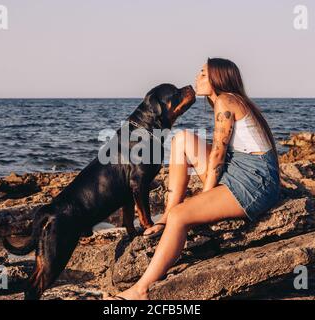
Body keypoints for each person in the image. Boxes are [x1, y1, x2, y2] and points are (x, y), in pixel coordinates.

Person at [106, 57, 281, 300]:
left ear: (217, 79)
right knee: (182, 139)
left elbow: (219, 154)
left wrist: (206, 195)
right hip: (242, 168)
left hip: (254, 181)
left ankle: (140, 290)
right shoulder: (226, 100)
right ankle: (167, 214)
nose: (197, 77)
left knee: (182, 216)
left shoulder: (225, 101)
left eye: (203, 74)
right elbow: (224, 152)